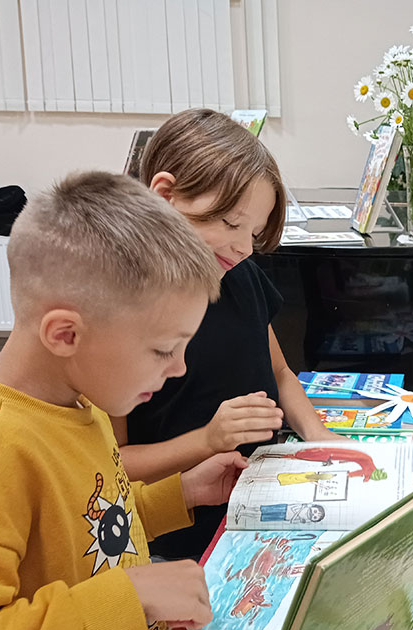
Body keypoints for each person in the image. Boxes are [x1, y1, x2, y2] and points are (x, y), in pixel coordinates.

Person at [0, 172, 245, 630]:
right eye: (164, 348)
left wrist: (180, 494)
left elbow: (88, 530)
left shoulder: (83, 404)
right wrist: (133, 597)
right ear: (65, 335)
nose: (179, 368)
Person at [114, 108, 348, 560]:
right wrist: (207, 439)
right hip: (179, 536)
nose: (243, 248)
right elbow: (111, 465)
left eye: (254, 233)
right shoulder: (118, 311)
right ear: (166, 196)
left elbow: (280, 373)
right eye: (230, 224)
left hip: (260, 512)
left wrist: (319, 435)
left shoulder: (239, 276)